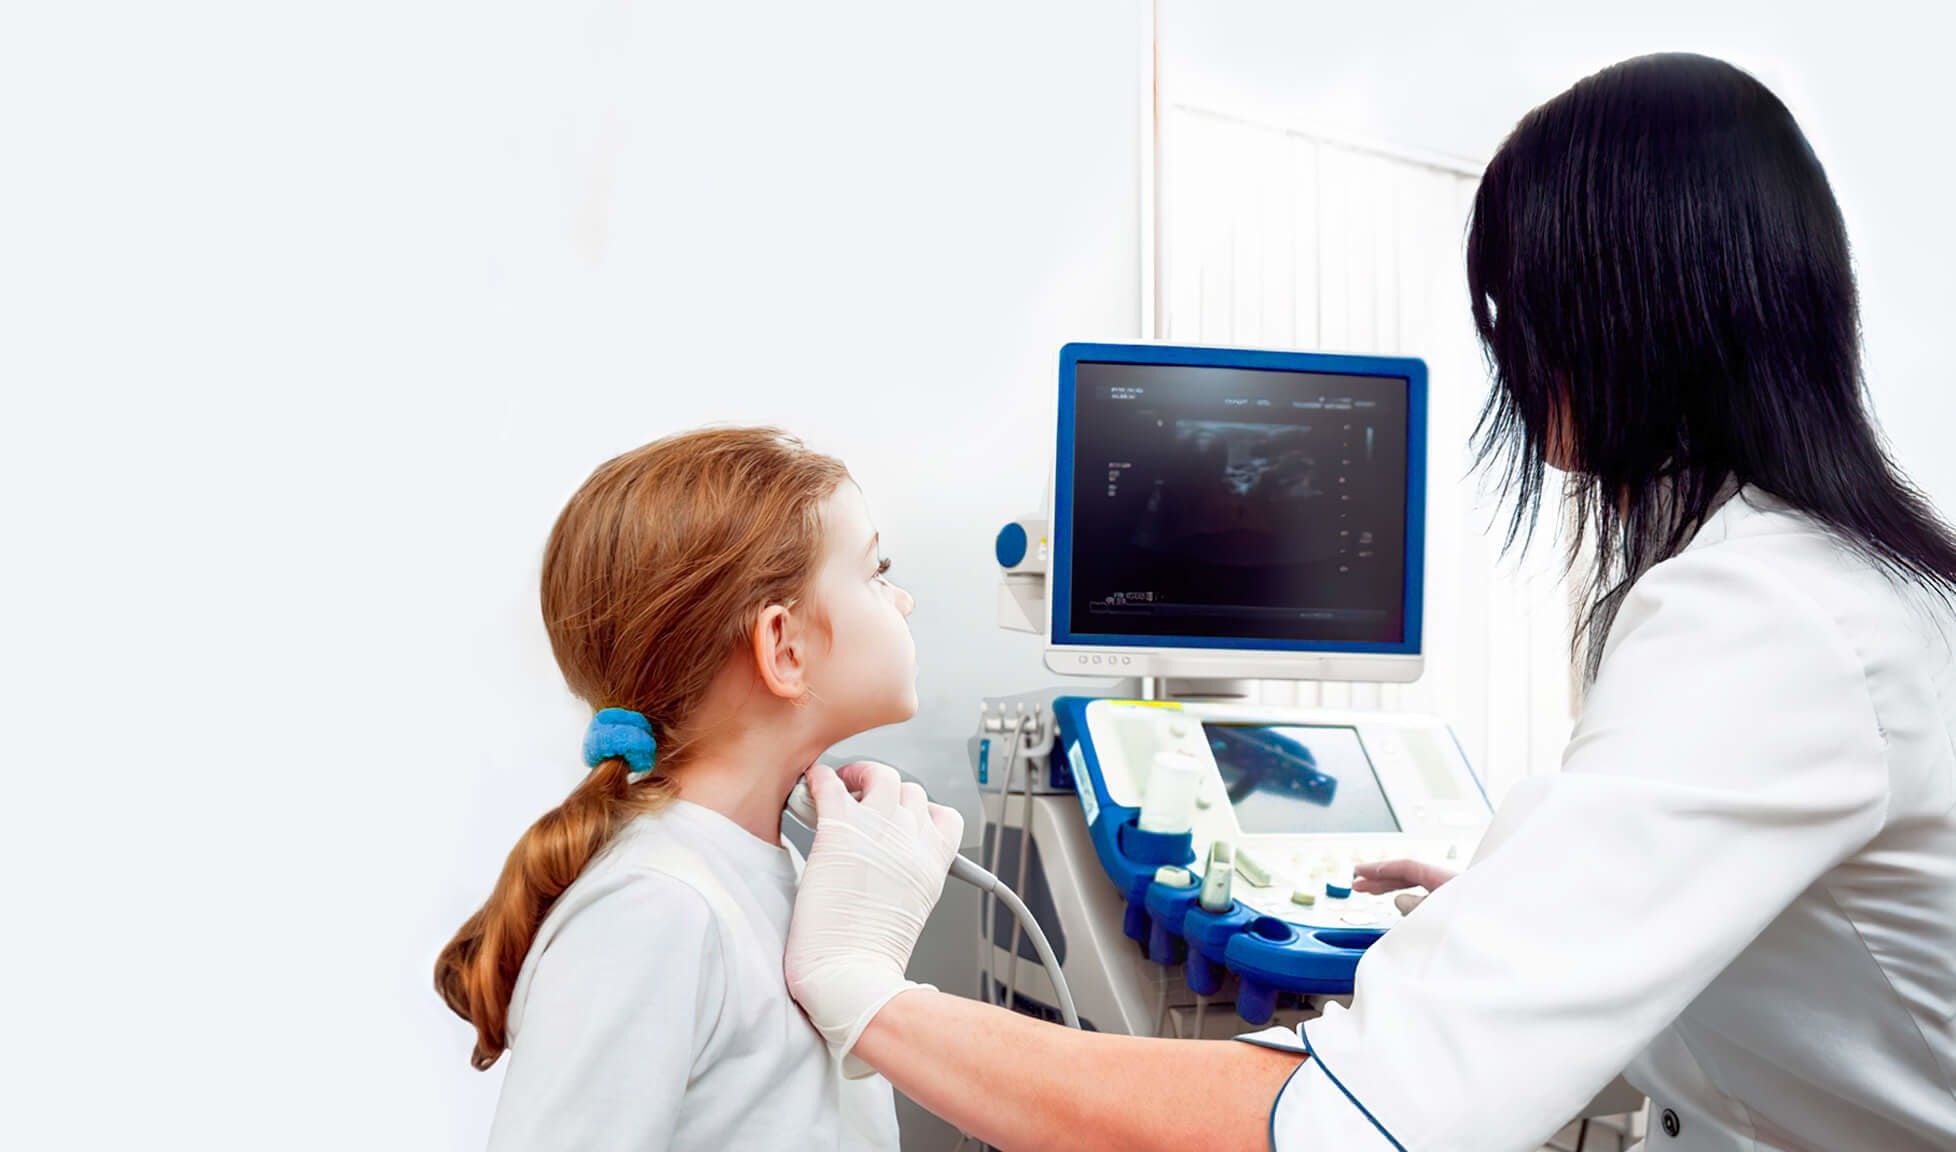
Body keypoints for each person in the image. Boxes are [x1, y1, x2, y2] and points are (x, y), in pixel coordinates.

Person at [779, 53, 1956, 1151]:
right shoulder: (1851, 580)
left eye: (1518, 305)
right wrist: (1538, 924)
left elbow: (1356, 1121)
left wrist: (868, 996)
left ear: (1622, 309)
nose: (1511, 349)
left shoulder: (1766, 618)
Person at [434, 426, 943, 1151]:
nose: (906, 601)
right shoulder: (656, 907)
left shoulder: (771, 877)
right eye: (875, 571)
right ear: (784, 647)